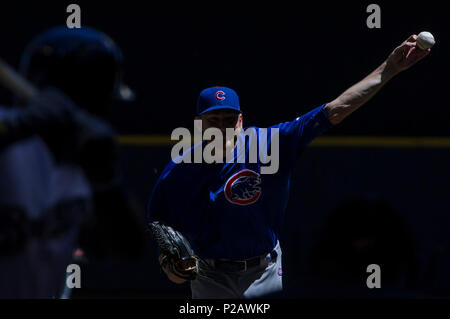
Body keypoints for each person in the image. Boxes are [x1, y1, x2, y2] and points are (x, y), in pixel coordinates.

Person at [147, 34, 430, 298]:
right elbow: (160, 225)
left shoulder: (270, 144)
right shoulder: (180, 168)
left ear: (241, 120)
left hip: (264, 272)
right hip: (210, 276)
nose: (222, 127)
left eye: (229, 119)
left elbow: (336, 108)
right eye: (214, 120)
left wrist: (389, 69)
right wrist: (169, 265)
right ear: (199, 124)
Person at [0, 26, 144, 298]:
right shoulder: (8, 135)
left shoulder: (87, 165)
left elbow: (126, 248)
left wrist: (107, 181)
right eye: (101, 103)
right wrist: (21, 125)